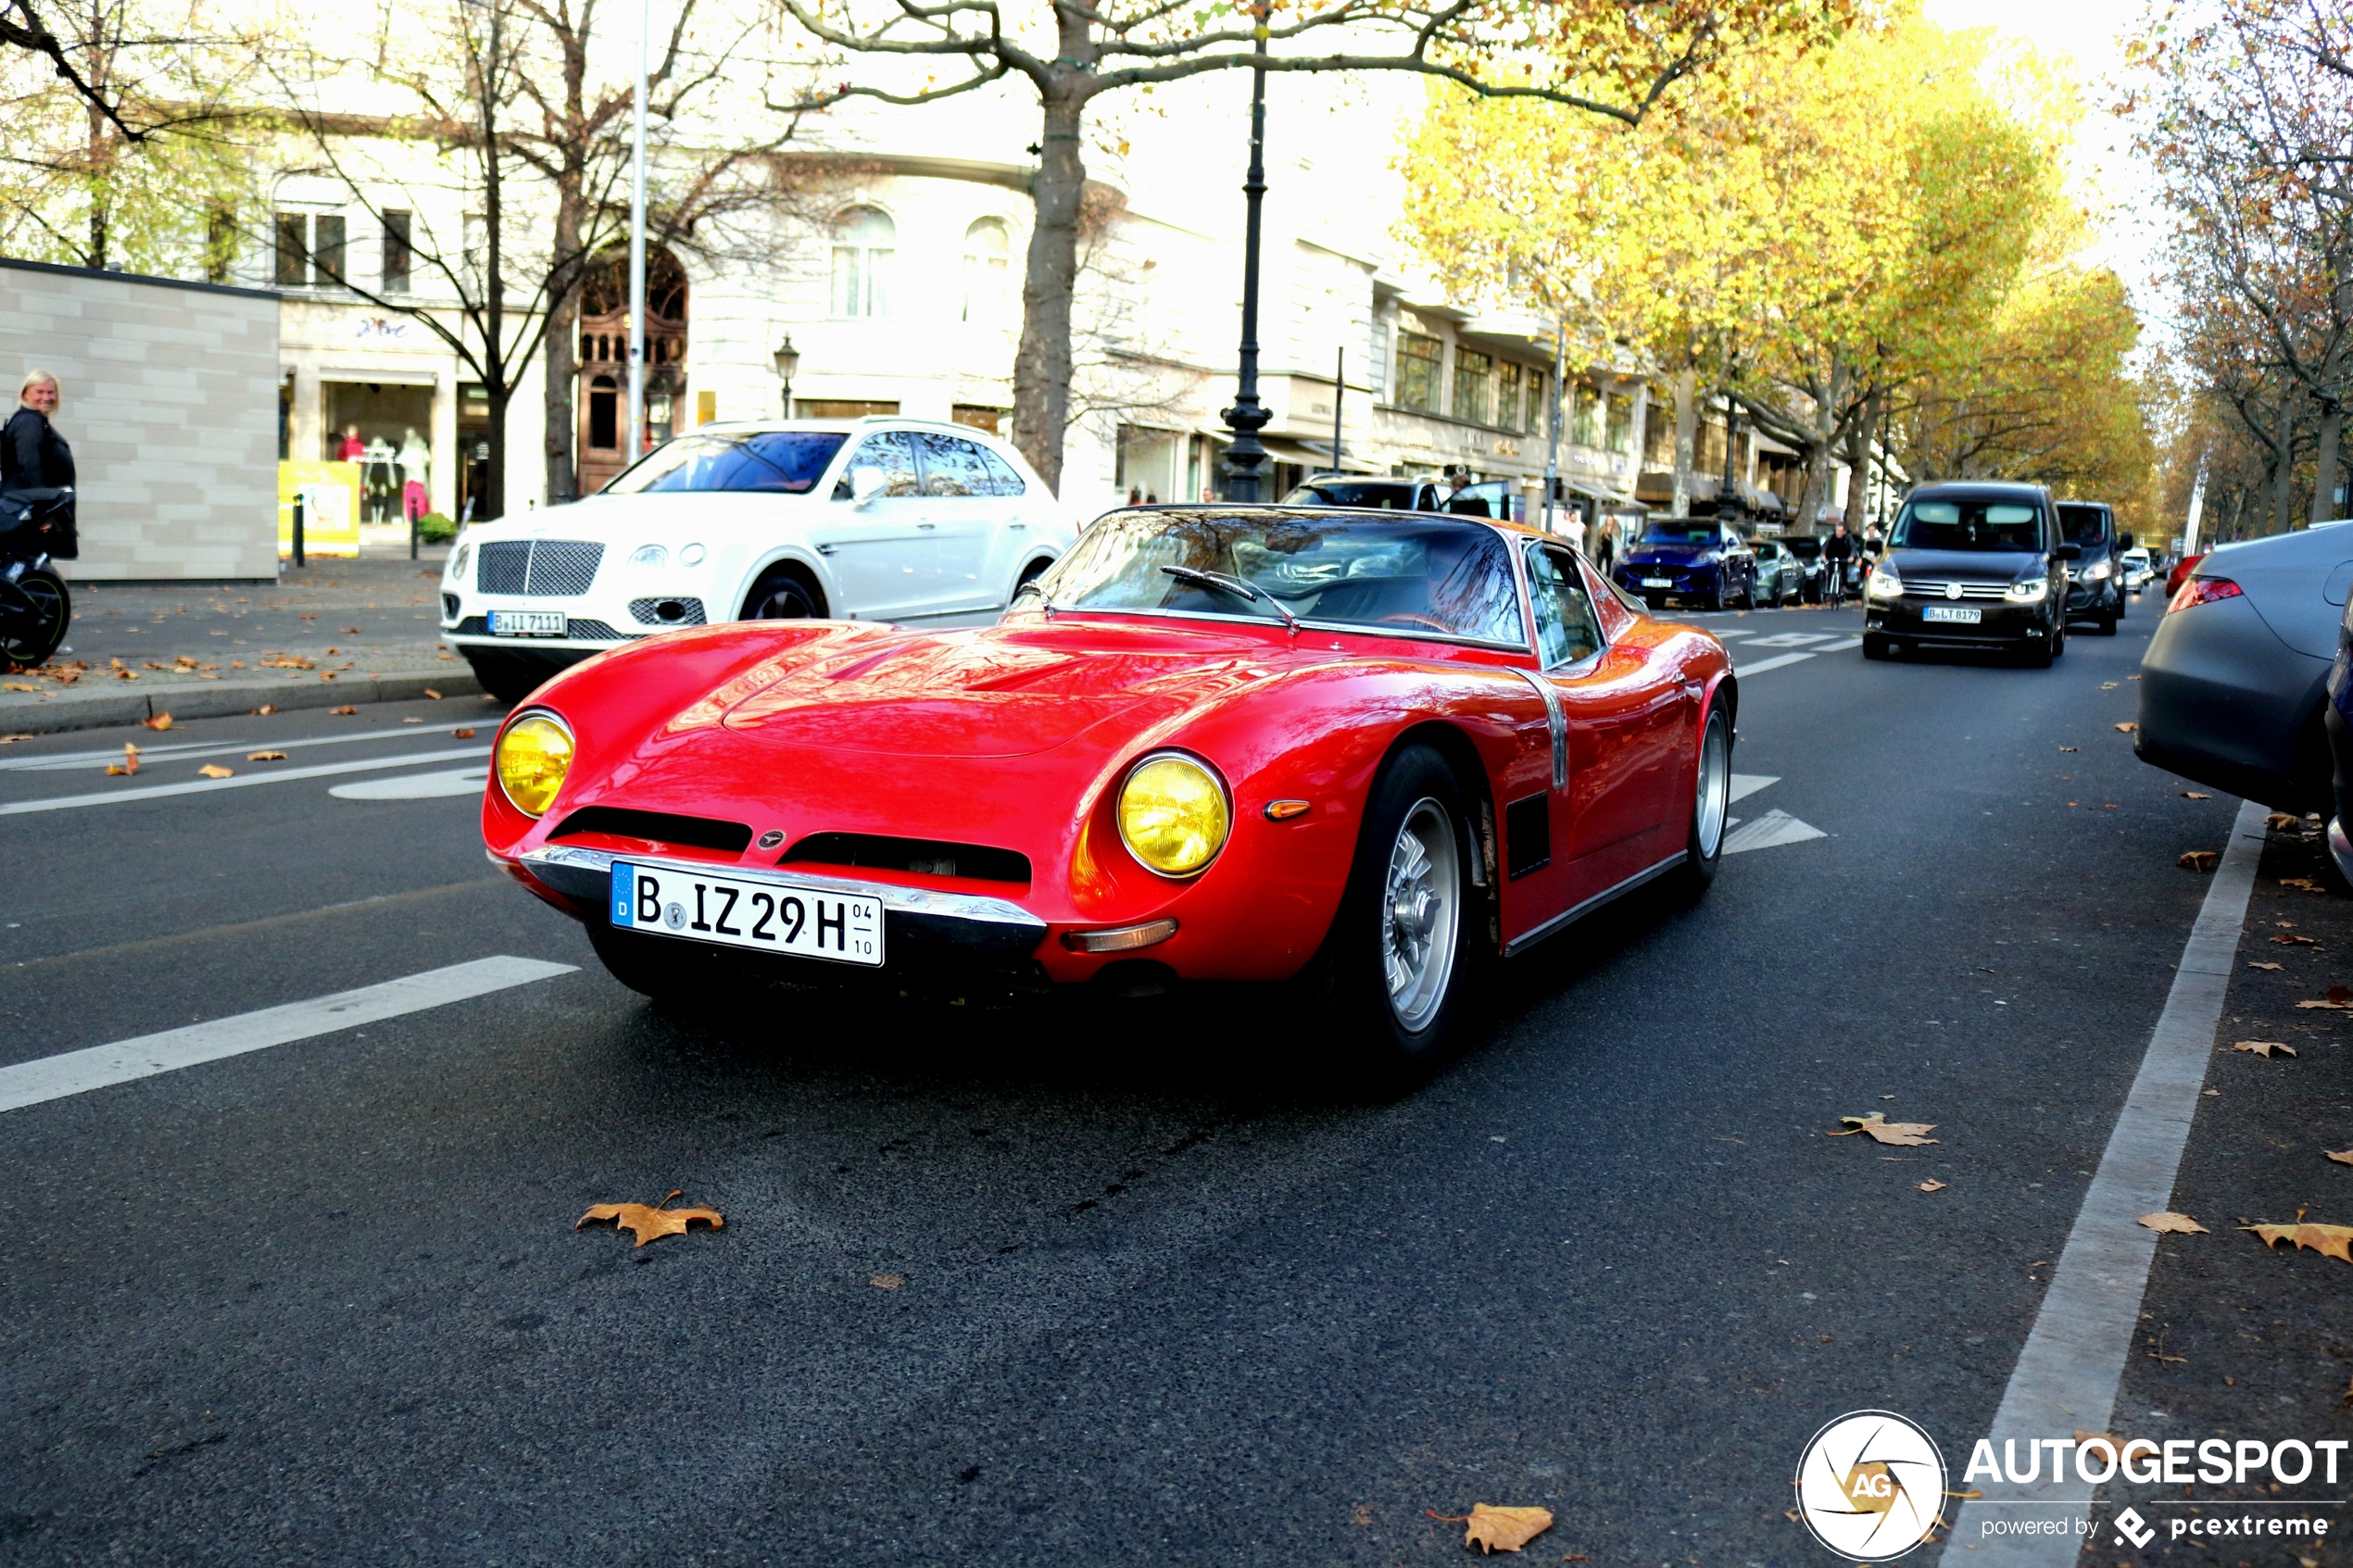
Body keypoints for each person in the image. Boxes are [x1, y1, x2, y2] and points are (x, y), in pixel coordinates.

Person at [4, 369, 76, 558]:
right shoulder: (29, 423)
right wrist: (43, 513)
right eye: (40, 392)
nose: (46, 397)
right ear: (25, 393)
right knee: (28, 572)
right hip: (27, 516)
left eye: (51, 392)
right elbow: (30, 468)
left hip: (26, 514)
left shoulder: (36, 422)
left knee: (31, 573)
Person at [1822, 522, 1856, 605]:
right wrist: (1823, 555)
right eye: (1837, 531)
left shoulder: (1848, 538)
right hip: (1832, 556)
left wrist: (1851, 556)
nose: (1838, 533)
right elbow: (1825, 546)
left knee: (1843, 569)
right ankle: (1830, 591)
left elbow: (1853, 547)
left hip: (1844, 557)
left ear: (1844, 532)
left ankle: (1844, 585)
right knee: (1831, 571)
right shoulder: (1831, 537)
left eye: (1840, 531)